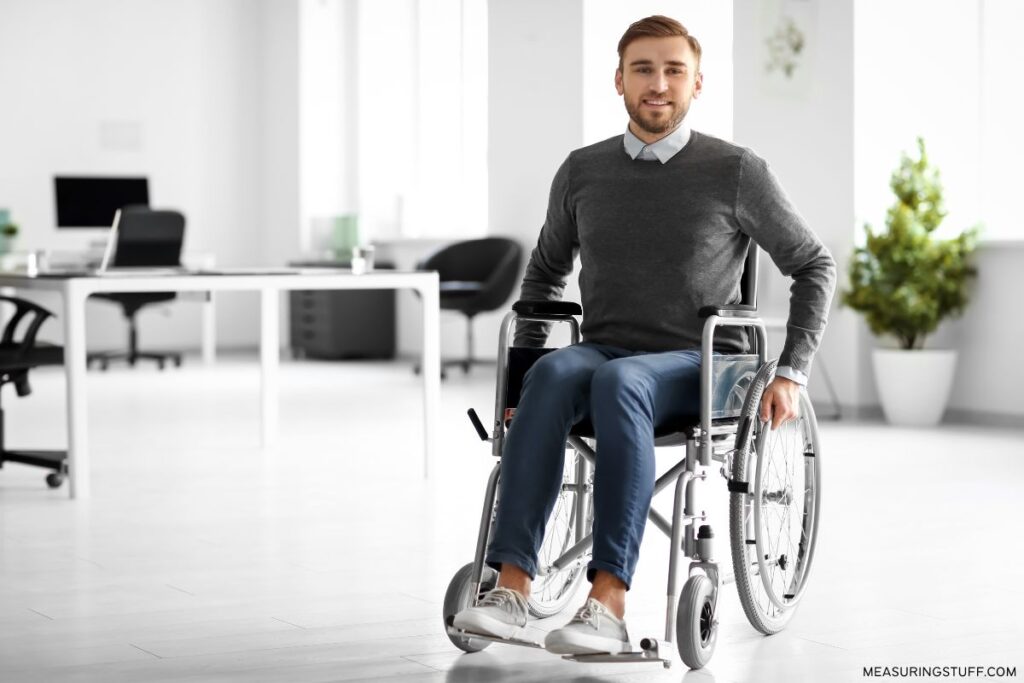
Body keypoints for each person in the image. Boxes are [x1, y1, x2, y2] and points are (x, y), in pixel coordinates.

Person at [453, 15, 836, 656]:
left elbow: (814, 264)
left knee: (620, 380)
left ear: (696, 83)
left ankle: (607, 604)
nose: (658, 84)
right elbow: (544, 276)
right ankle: (511, 586)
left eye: (673, 70)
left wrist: (793, 370)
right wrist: (520, 385)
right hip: (607, 348)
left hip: (704, 363)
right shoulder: (582, 171)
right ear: (619, 80)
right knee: (554, 373)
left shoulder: (736, 170)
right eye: (643, 69)